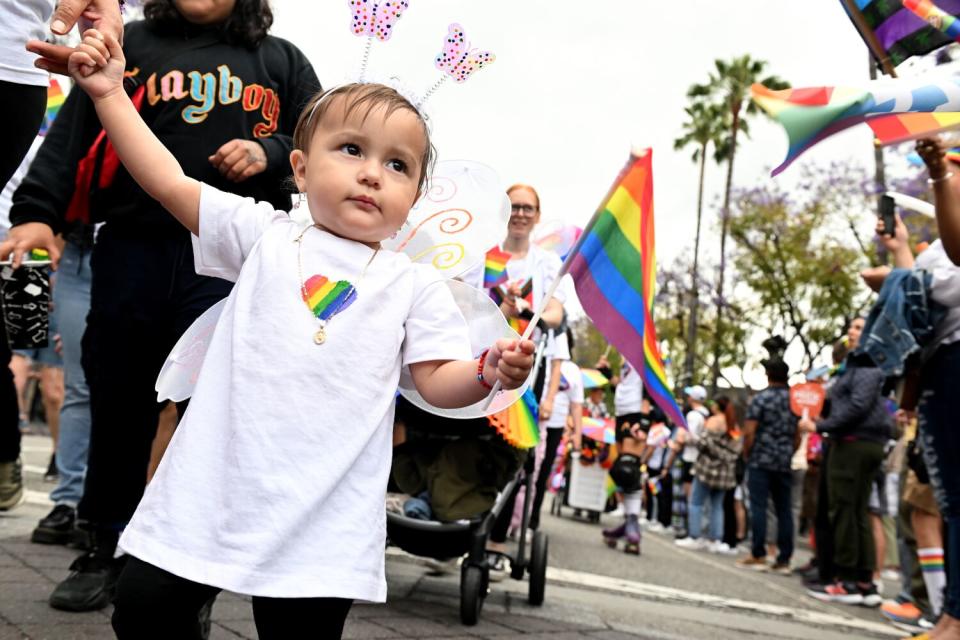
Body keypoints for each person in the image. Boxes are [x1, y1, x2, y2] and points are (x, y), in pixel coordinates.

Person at [63, 28, 537, 635]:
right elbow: (168, 182)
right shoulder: (263, 236)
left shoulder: (414, 286)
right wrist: (109, 96)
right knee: (144, 609)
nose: (372, 174)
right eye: (351, 150)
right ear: (301, 169)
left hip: (325, 512)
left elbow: (436, 382)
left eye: (397, 165)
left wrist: (487, 372)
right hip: (215, 484)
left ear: (414, 196)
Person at [4, 0, 320, 613]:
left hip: (234, 263)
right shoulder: (133, 41)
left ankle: (182, 569)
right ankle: (102, 542)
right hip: (133, 245)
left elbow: (324, 138)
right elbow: (76, 127)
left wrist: (274, 153)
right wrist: (38, 212)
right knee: (118, 394)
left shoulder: (279, 60)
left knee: (203, 408)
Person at [0, 0, 121, 512]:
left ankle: (60, 487)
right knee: (51, 379)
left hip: (47, 262)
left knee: (64, 381)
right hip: (45, 255)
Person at [800, 323, 892, 607]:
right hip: (858, 442)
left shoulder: (865, 367)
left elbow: (857, 406)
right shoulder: (858, 366)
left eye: (860, 327)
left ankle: (848, 580)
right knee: (855, 511)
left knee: (844, 510)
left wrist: (820, 426)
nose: (852, 332)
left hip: (854, 443)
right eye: (851, 327)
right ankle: (862, 581)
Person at [737, 359, 797, 574]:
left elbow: (750, 431)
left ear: (768, 375)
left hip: (761, 458)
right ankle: (784, 558)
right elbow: (798, 433)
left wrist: (746, 452)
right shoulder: (794, 400)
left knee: (759, 506)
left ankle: (758, 553)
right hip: (784, 459)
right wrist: (790, 450)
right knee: (784, 509)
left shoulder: (760, 399)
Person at [528, 328, 582, 532]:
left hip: (556, 426)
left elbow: (576, 405)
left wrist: (577, 434)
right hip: (533, 419)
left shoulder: (573, 370)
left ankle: (532, 520)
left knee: (542, 474)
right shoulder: (540, 357)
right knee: (526, 469)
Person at [676, 396, 743, 554]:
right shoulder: (734, 425)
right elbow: (736, 449)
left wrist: (689, 438)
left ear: (717, 406)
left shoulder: (713, 421)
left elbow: (703, 443)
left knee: (696, 502)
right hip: (725, 471)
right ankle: (715, 539)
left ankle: (695, 536)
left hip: (706, 469)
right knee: (717, 506)